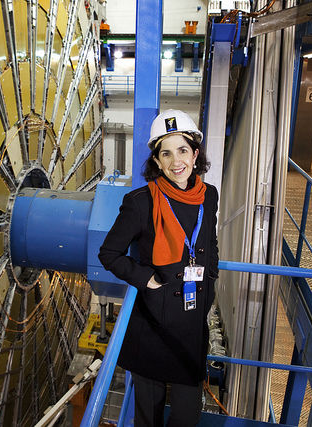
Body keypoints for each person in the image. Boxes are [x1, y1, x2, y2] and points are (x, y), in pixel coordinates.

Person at [98, 110, 219, 426]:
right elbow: (109, 253)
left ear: (195, 154)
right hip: (151, 324)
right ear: (156, 161)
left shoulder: (209, 197)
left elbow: (211, 243)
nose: (175, 161)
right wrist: (146, 279)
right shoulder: (141, 202)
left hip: (191, 325)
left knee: (185, 416)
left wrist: (212, 282)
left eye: (182, 150)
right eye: (166, 153)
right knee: (147, 418)